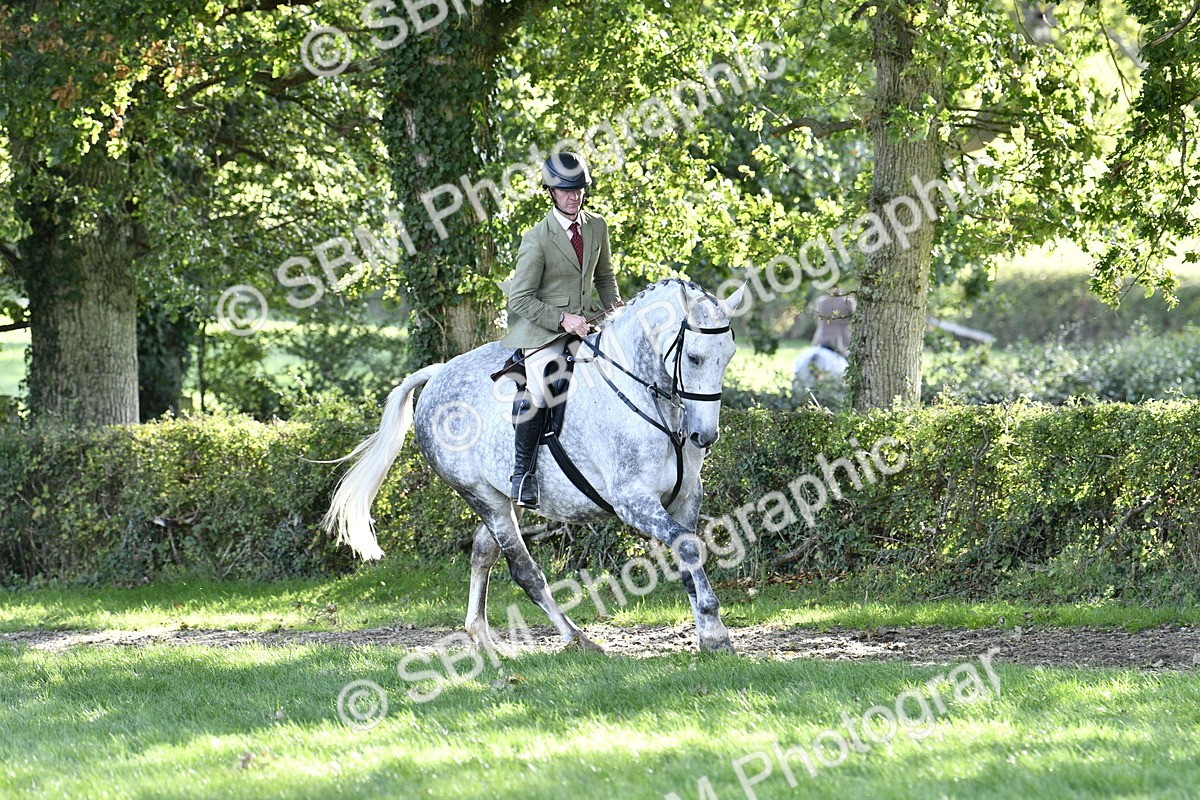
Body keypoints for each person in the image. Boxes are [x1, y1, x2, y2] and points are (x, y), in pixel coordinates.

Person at [499, 152, 621, 508]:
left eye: (579, 189)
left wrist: (615, 310)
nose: (574, 196)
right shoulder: (537, 239)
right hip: (544, 331)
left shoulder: (596, 226)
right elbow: (519, 299)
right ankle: (523, 474)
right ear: (550, 192)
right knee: (543, 385)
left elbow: (605, 277)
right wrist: (563, 319)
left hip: (590, 322)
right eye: (565, 190)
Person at [811, 288, 856, 357]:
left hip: (822, 337)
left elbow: (818, 321)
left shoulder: (820, 301)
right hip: (842, 338)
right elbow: (854, 319)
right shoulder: (847, 301)